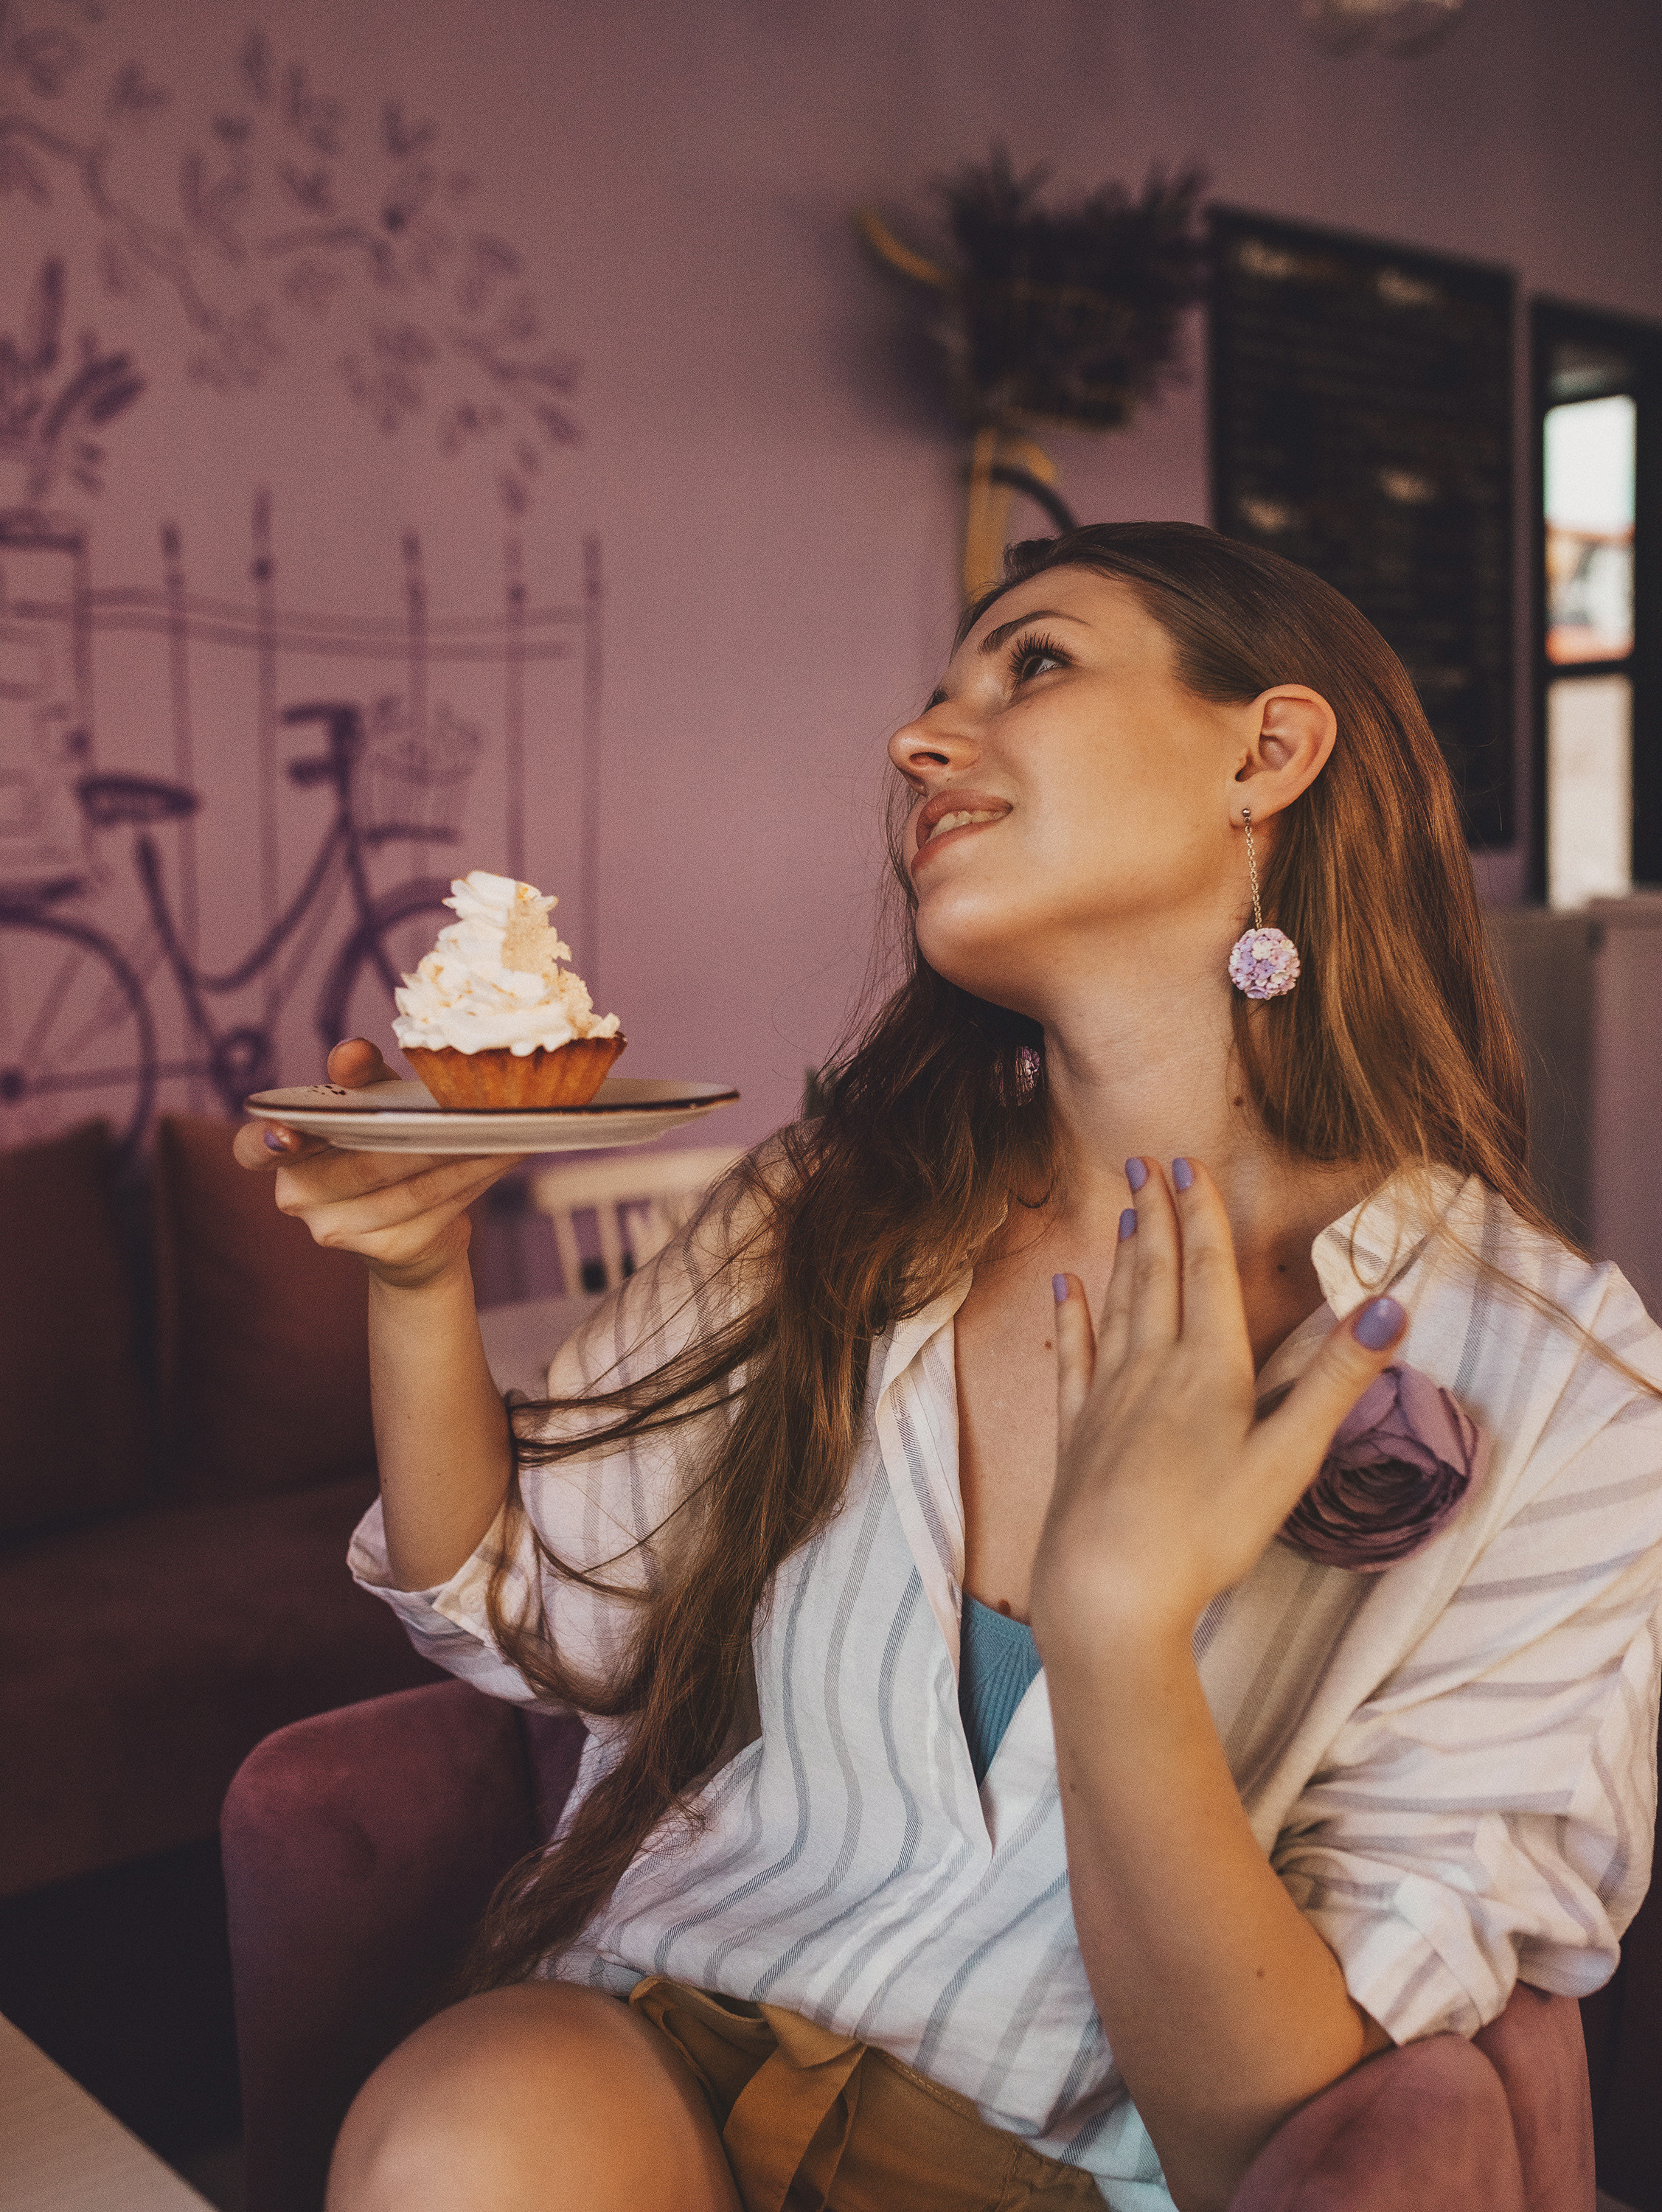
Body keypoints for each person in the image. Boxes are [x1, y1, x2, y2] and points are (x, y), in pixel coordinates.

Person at [238, 523, 1662, 2212]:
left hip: (1070, 2165)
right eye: (930, 698)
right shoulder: (819, 1219)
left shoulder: (1566, 1395)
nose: (915, 741)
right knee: (471, 2133)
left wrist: (1117, 1627)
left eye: (1031, 664)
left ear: (1263, 753)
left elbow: (1266, 2134)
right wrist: (418, 1279)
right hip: (649, 2062)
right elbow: (546, 1619)